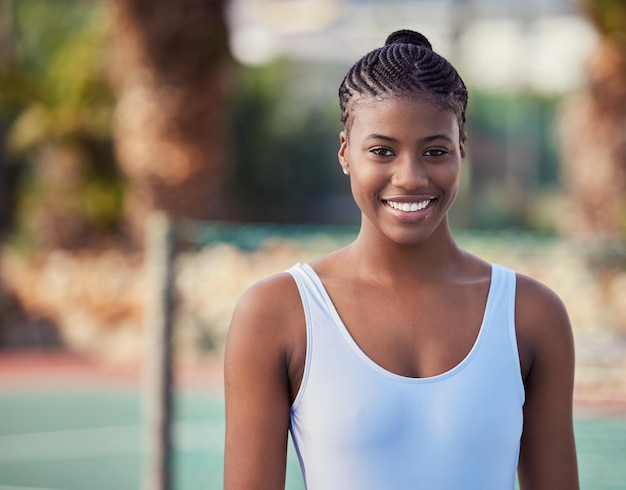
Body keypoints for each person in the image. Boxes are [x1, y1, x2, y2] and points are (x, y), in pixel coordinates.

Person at [224, 29, 579, 489]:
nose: (410, 177)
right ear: (345, 153)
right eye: (381, 151)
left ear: (462, 151)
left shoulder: (531, 316)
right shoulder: (277, 314)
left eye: (435, 151)